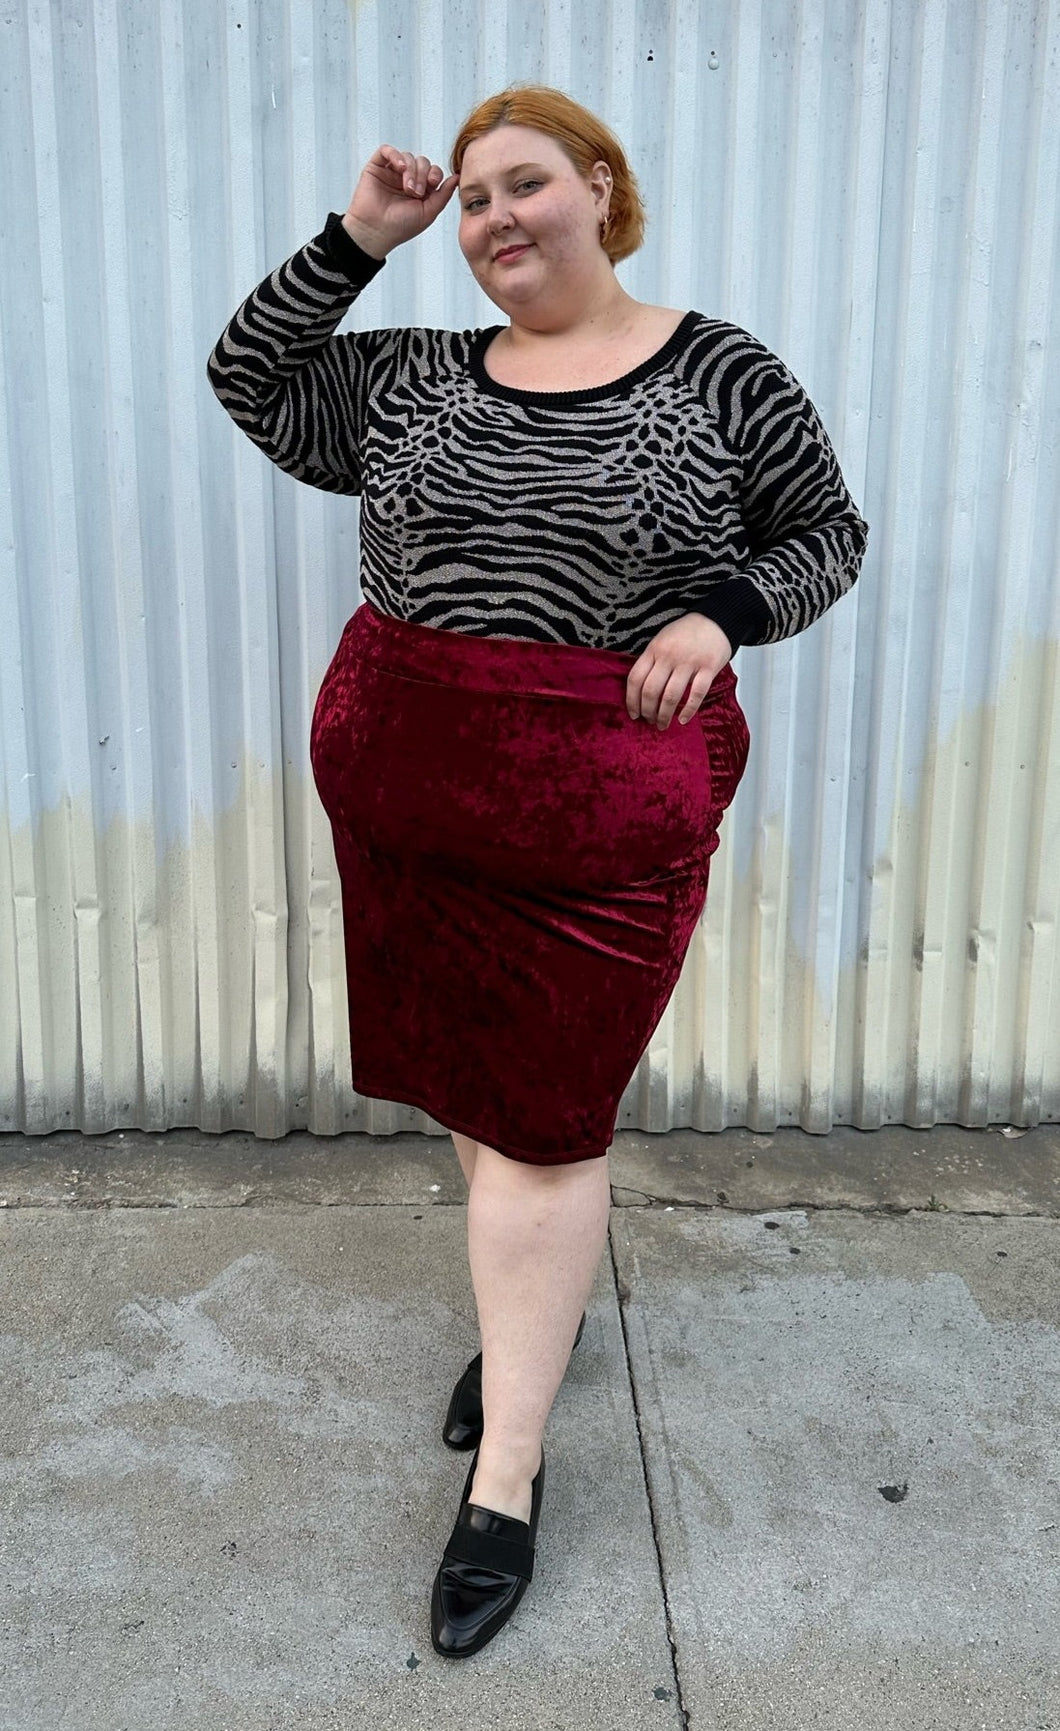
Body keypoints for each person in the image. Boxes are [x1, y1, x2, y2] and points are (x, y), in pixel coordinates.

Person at [207, 83, 868, 1659]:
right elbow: (251, 375)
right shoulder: (417, 377)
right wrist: (362, 237)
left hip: (600, 812)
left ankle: (505, 1480)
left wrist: (722, 612)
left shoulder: (720, 370)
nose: (499, 218)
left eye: (527, 183)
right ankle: (526, 1337)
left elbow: (825, 531)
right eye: (476, 200)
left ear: (600, 185)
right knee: (471, 1094)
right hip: (409, 784)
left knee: (551, 1127)